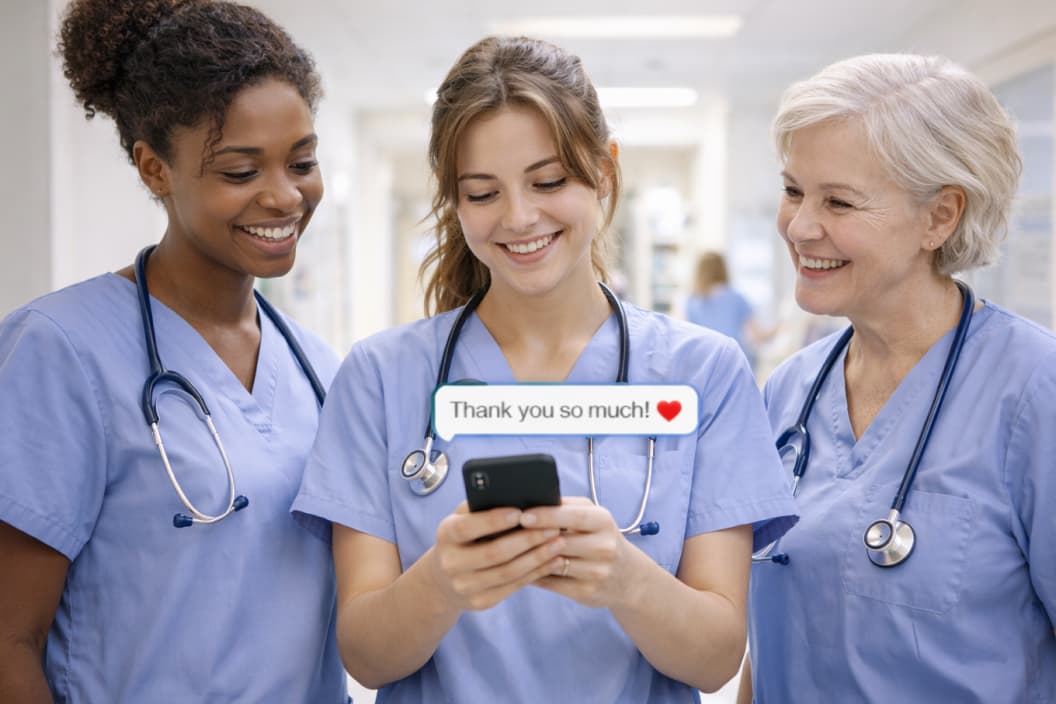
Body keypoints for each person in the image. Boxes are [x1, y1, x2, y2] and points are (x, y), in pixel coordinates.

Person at [292, 35, 797, 703]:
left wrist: (625, 578)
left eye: (549, 181)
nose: (519, 217)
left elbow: (716, 659)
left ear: (605, 172)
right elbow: (365, 658)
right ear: (455, 202)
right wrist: (441, 582)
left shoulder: (703, 371)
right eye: (482, 193)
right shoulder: (381, 376)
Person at [0, 1, 347, 701]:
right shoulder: (61, 351)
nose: (284, 196)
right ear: (155, 169)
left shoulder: (319, 368)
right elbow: (9, 641)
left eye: (302, 162)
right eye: (240, 172)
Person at [738, 54, 1056, 703]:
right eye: (794, 191)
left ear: (940, 217)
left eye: (838, 201)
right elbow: (770, 641)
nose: (800, 226)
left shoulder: (1033, 392)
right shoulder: (789, 393)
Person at [684, 251, 772, 366]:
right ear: (723, 269)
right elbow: (758, 336)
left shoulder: (691, 302)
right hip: (734, 361)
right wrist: (781, 327)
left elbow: (690, 341)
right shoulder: (736, 298)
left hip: (705, 363)